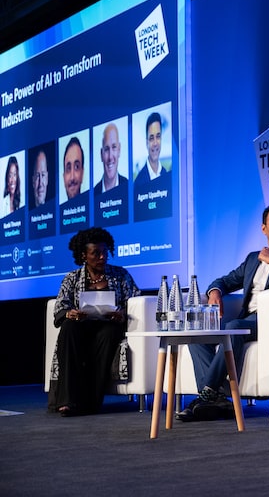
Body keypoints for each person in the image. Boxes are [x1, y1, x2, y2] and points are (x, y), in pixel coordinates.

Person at [176, 203, 269, 421]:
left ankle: (207, 393)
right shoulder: (252, 259)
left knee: (233, 328)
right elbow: (226, 280)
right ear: (264, 229)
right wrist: (215, 291)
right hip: (246, 320)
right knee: (199, 334)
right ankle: (218, 400)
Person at [50, 227, 141, 416]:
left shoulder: (120, 275)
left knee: (108, 333)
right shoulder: (72, 278)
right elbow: (60, 307)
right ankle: (67, 401)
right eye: (96, 253)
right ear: (84, 255)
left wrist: (122, 313)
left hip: (109, 325)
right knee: (68, 328)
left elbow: (136, 300)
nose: (102, 257)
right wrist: (71, 314)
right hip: (81, 326)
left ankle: (91, 402)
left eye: (105, 252)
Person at [134, 112, 168, 185]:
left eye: (158, 136)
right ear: (147, 143)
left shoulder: (166, 175)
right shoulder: (138, 183)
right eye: (151, 138)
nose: (155, 143)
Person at [94, 123, 127, 195]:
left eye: (114, 147)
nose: (110, 157)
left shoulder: (130, 188)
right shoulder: (93, 194)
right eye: (106, 149)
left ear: (119, 150)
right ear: (101, 154)